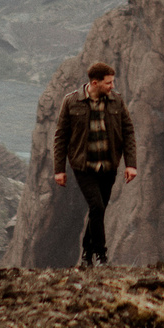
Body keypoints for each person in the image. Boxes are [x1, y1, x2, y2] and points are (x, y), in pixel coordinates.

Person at [50, 60, 137, 267]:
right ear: (95, 83)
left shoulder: (116, 101)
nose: (112, 86)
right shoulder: (71, 102)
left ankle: (86, 256)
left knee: (98, 210)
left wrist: (130, 164)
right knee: (97, 206)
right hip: (84, 167)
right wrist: (59, 170)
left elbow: (128, 132)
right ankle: (101, 254)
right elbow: (60, 137)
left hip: (108, 166)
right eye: (108, 83)